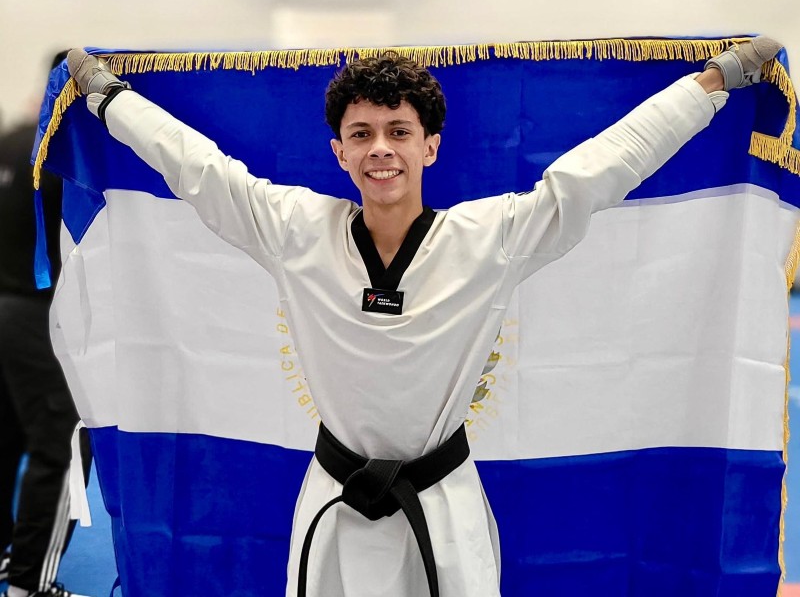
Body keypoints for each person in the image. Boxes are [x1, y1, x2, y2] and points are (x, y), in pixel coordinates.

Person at [64, 37, 781, 597]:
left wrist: (711, 84)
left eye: (399, 132)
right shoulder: (293, 229)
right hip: (334, 502)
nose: (381, 148)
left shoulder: (488, 240)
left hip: (441, 504)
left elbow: (601, 170)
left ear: (430, 146)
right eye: (363, 132)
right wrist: (106, 98)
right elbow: (197, 167)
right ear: (338, 151)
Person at [0, 52, 92, 597]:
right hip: (35, 315)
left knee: (7, 436)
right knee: (61, 441)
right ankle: (30, 580)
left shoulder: (12, 137)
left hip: (5, 310)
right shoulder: (65, 152)